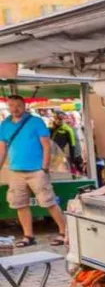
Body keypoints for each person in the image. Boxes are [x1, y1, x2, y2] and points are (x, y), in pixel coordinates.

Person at [0, 95, 68, 247]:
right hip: (16, 171)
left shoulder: (36, 122)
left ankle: (64, 232)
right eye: (11, 106)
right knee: (20, 204)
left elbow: (46, 146)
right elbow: (2, 149)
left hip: (36, 170)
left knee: (48, 202)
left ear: (24, 106)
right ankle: (28, 236)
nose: (15, 109)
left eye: (18, 105)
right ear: (8, 107)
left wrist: (44, 167)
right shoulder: (4, 124)